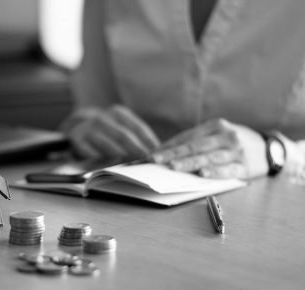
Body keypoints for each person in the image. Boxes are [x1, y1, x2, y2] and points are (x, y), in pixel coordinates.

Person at [62, 0, 305, 180]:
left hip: (280, 212)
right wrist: (87, 128)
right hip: (130, 207)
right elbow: (92, 105)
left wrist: (277, 152)